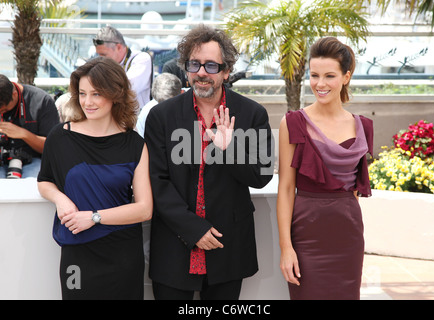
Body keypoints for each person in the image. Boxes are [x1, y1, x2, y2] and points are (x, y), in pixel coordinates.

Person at [145, 24, 274, 300]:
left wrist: (229, 150)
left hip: (227, 246)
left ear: (226, 71)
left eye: (211, 66)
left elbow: (262, 175)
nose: (202, 72)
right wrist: (193, 229)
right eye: (194, 64)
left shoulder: (252, 114)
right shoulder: (161, 116)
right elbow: (157, 181)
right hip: (174, 245)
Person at [37, 56, 153, 300]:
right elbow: (45, 180)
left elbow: (144, 209)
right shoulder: (60, 137)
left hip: (123, 255)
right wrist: (60, 199)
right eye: (82, 93)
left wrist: (94, 217)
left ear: (115, 94)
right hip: (77, 253)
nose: (87, 102)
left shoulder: (134, 144)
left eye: (96, 94)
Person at [277, 37, 373, 300]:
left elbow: (354, 189)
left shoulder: (362, 126)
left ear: (346, 77)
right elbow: (285, 189)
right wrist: (286, 248)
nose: (320, 84)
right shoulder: (293, 123)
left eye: (329, 75)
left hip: (348, 236)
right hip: (307, 236)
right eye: (314, 75)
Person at [0, 74, 60, 178]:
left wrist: (24, 134)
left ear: (14, 94)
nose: (2, 113)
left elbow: (53, 148)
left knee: (35, 186)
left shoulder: (42, 101)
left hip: (32, 160)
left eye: (4, 110)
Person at [93, 26, 153, 109]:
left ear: (118, 47)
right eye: (98, 55)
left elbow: (126, 89)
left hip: (138, 118)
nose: (100, 59)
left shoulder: (142, 59)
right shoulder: (105, 64)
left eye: (104, 55)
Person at [136, 72, 182, 137]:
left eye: (169, 104)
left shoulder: (192, 104)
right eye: (161, 104)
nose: (165, 108)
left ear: (181, 93)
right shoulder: (147, 113)